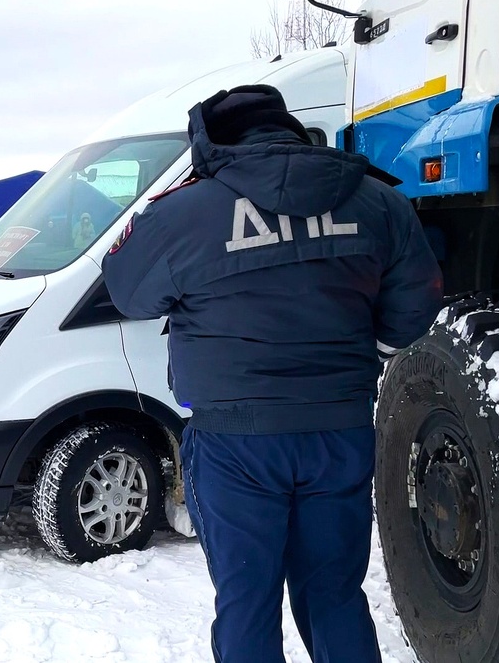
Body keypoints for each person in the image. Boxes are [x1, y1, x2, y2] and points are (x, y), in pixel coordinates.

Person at [102, 85, 443, 663]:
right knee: (334, 594)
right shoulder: (376, 202)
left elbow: (127, 292)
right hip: (339, 431)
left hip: (235, 443)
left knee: (247, 601)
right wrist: (373, 348)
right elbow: (418, 298)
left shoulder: (184, 213)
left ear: (213, 142)